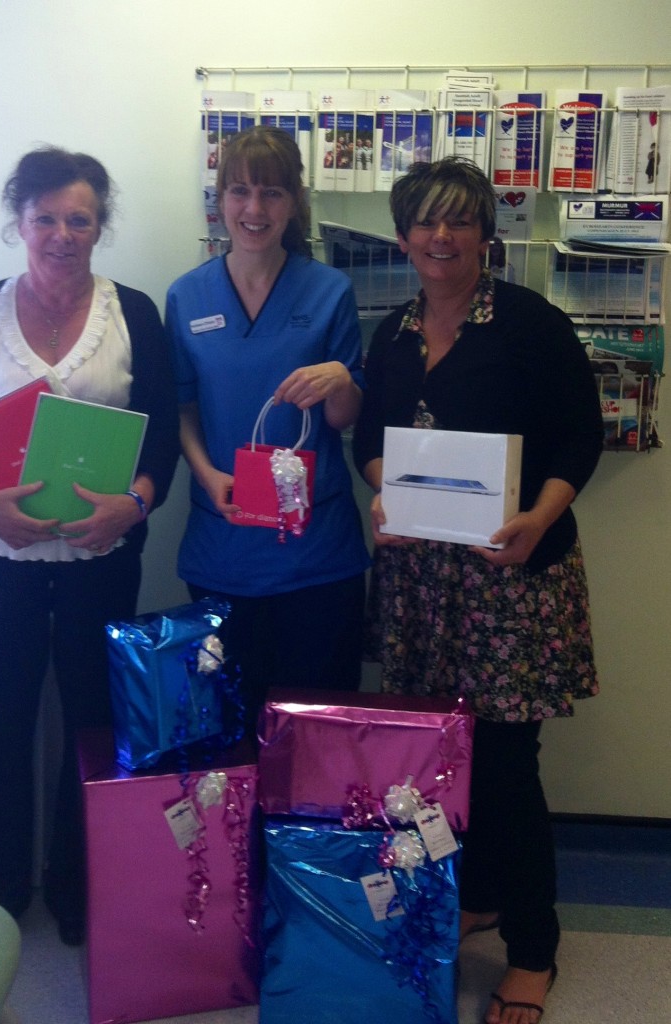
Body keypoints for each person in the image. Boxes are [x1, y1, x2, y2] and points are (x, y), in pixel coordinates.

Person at [351, 157, 603, 1024]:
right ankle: (482, 895)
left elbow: (579, 437)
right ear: (402, 237)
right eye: (425, 221)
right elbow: (368, 445)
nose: (441, 236)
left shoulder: (528, 324)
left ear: (485, 235)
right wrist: (383, 492)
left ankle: (532, 950)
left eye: (459, 220)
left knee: (503, 767)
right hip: (423, 584)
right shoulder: (391, 334)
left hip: (510, 578)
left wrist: (537, 518)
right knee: (442, 760)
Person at [0, 146, 180, 944]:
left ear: (100, 226)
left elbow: (162, 437)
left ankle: (79, 889)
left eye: (80, 220)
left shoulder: (135, 314)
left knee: (92, 723)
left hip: (100, 560)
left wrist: (133, 507)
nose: (62, 235)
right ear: (19, 221)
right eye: (46, 219)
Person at [165, 125, 371, 729]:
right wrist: (206, 474)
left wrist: (341, 381)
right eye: (240, 191)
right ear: (221, 198)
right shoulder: (187, 296)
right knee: (230, 734)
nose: (254, 209)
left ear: (294, 201)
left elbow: (344, 418)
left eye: (272, 193)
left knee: (317, 732)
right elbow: (181, 408)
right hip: (223, 547)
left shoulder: (330, 291)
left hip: (316, 556)